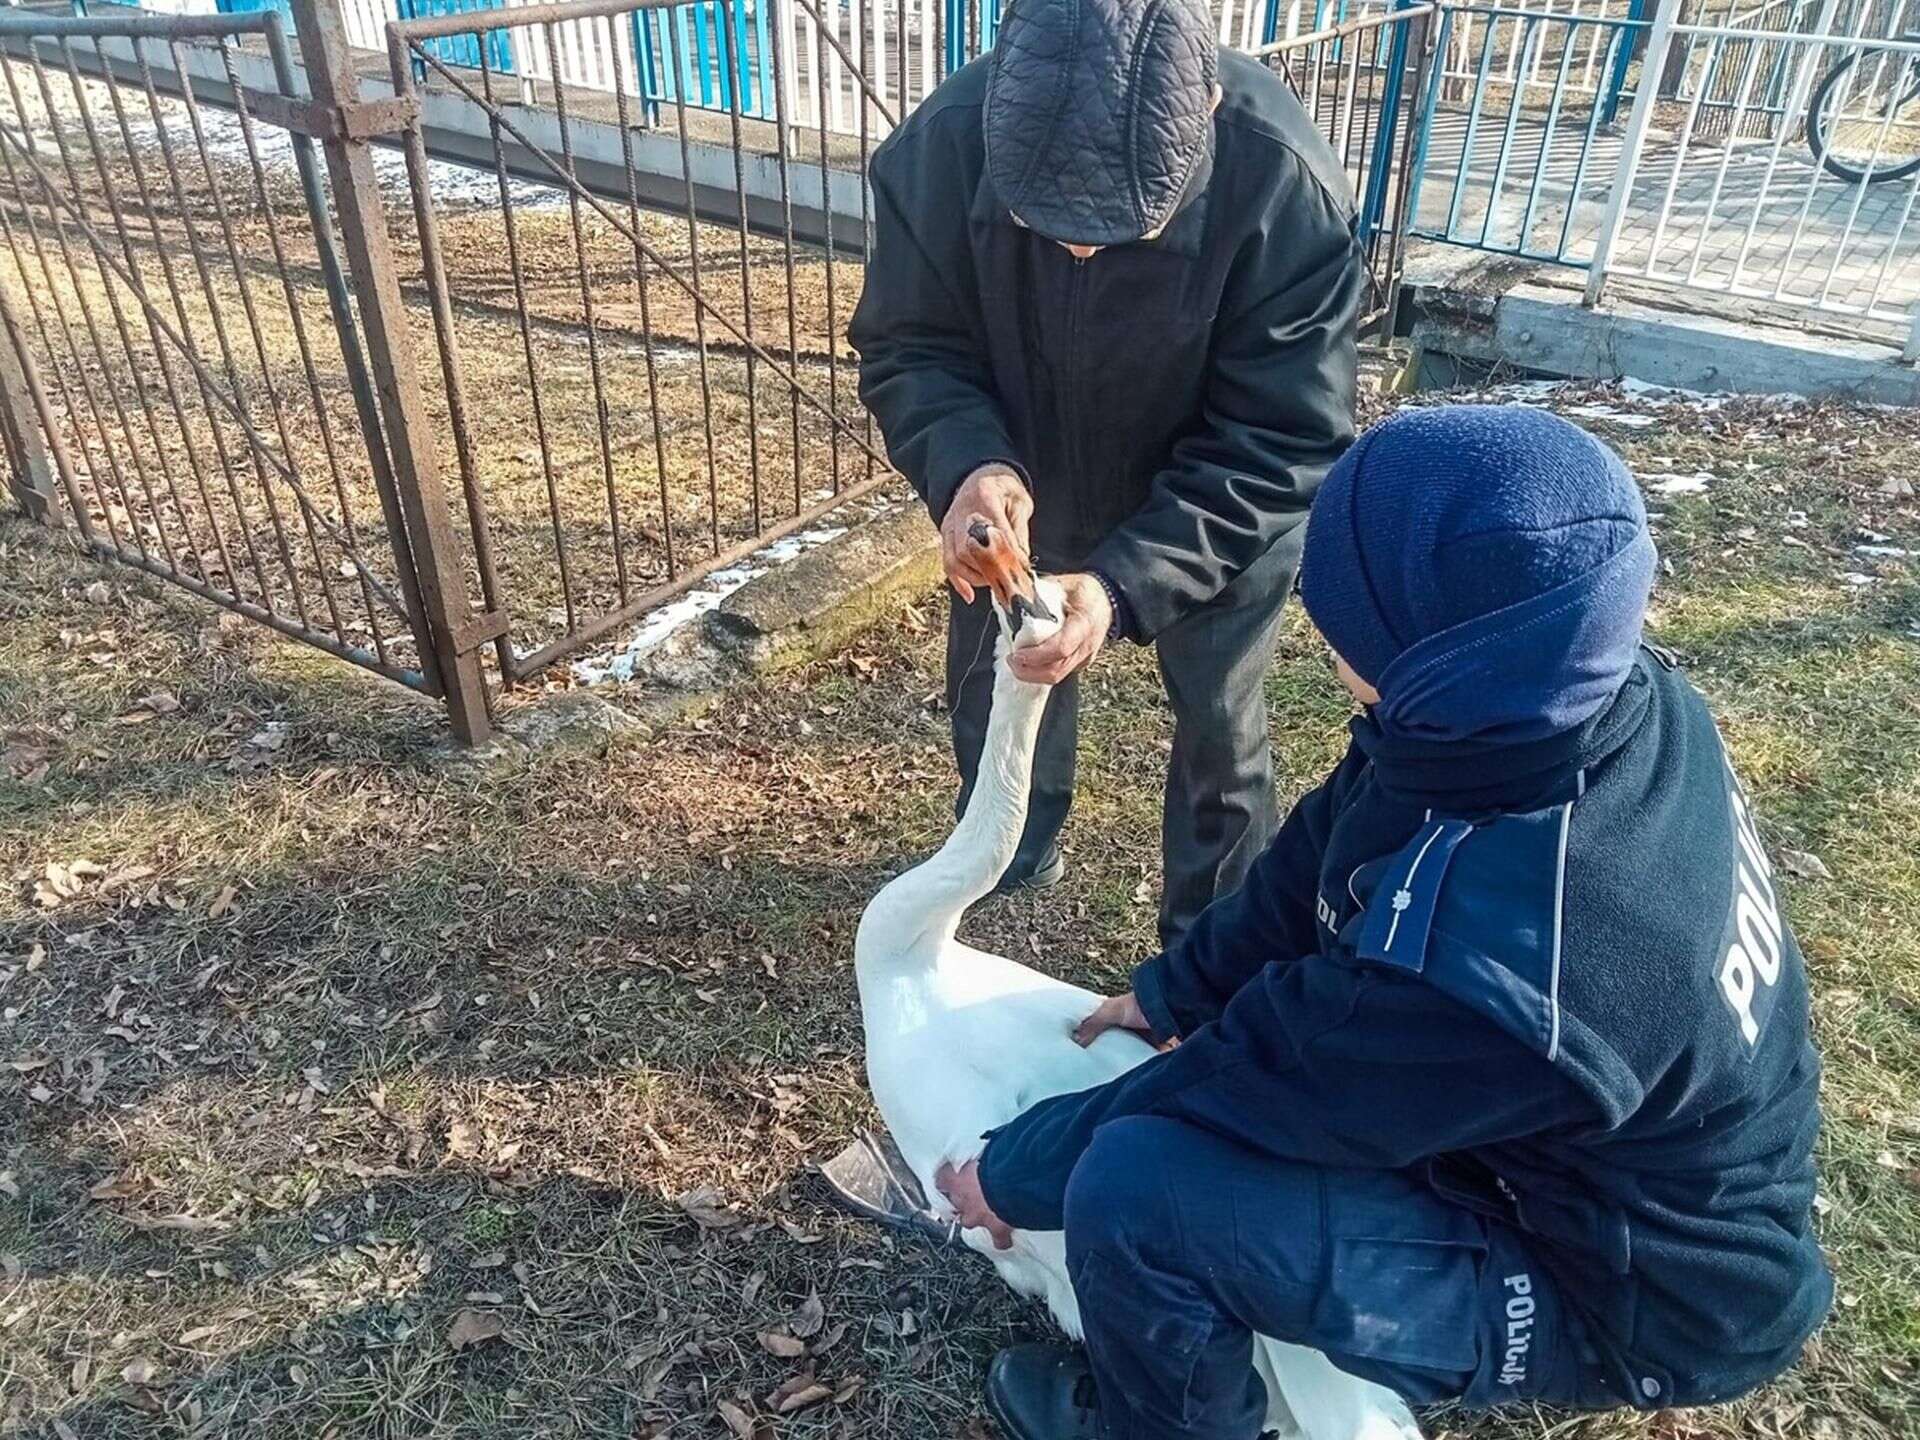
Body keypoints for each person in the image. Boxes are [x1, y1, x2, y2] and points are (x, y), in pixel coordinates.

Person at [934, 406, 1833, 1440]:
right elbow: (1346, 825)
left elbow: (1263, 1076)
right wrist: (1182, 984)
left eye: (1347, 618)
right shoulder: (1574, 698)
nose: (1327, 636)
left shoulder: (1516, 959)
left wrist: (1012, 1170)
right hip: (1573, 1143)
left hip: (1633, 1294)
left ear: (1433, 658)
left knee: (1139, 1193)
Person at [848, 0, 1361, 945]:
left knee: (1220, 714)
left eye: (1127, 230)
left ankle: (1212, 933)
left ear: (1202, 115)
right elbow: (909, 344)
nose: (1081, 250)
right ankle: (1010, 842)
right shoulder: (942, 146)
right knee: (1003, 671)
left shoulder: (1285, 183)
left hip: (1214, 501)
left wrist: (1126, 586)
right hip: (1020, 488)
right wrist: (968, 463)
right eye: (1044, 226)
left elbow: (1284, 435)